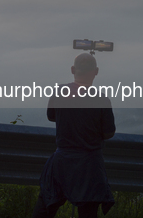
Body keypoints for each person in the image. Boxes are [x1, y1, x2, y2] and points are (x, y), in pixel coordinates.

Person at [32, 52, 116, 218]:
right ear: (96, 71)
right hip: (89, 166)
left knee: (46, 205)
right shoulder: (101, 99)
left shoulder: (59, 92)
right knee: (88, 212)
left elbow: (51, 116)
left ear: (72, 69)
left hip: (62, 161)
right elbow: (108, 133)